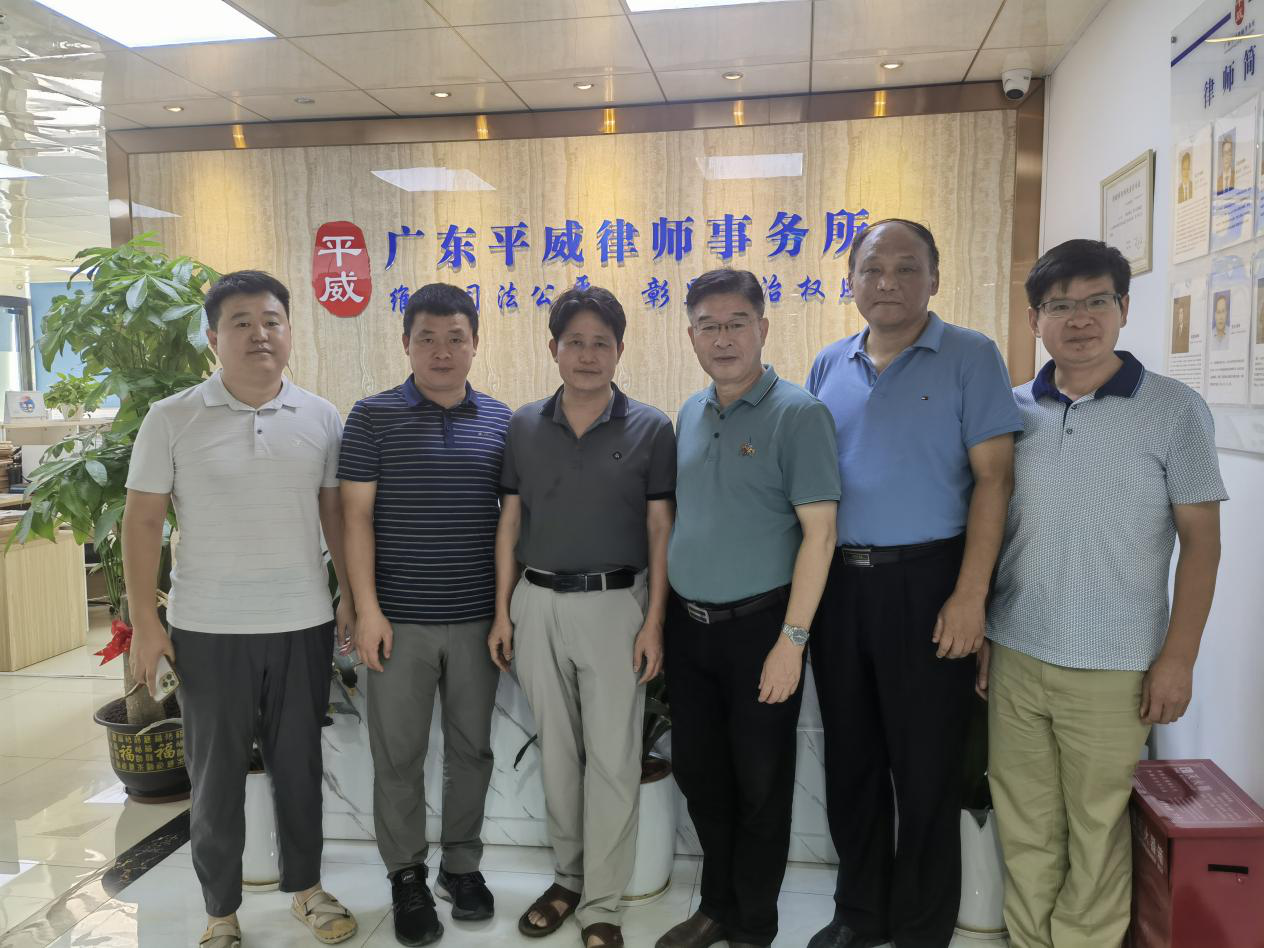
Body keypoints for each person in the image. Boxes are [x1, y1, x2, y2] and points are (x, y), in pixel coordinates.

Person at [985, 239, 1226, 947]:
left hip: (1116, 663)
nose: (1080, 319)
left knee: (1097, 829)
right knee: (1026, 823)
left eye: (1096, 301)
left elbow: (1202, 545)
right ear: (1035, 319)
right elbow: (996, 531)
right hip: (1018, 651)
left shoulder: (1175, 410)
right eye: (1060, 306)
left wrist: (1178, 659)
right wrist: (988, 637)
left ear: (1123, 307)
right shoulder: (1012, 411)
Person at [123, 271, 358, 948]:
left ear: (290, 331)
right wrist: (146, 622)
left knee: (299, 768)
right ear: (212, 337)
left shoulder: (320, 415)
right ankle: (220, 912)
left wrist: (346, 594)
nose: (260, 334)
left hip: (302, 621)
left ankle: (307, 891)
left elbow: (334, 514)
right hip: (209, 628)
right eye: (242, 322)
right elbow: (142, 522)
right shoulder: (172, 417)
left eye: (272, 320)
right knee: (216, 776)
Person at [805, 220, 1022, 948]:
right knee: (852, 758)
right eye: (873, 269)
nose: (888, 282)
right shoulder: (828, 363)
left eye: (907, 268)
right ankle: (859, 911)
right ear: (850, 280)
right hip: (841, 587)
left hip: (932, 582)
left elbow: (995, 480)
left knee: (926, 765)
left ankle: (924, 927)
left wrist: (970, 596)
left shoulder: (970, 355)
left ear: (935, 277)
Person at [656, 268, 839, 948]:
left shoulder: (799, 414)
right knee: (701, 776)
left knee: (760, 785)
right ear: (691, 337)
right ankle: (717, 906)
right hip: (690, 628)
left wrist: (792, 640)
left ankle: (754, 924)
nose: (723, 338)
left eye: (737, 323)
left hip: (762, 629)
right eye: (708, 326)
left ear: (763, 327)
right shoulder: (690, 412)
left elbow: (820, 535)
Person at [489, 284, 676, 948]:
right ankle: (568, 879)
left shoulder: (651, 427)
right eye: (576, 342)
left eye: (602, 343)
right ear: (554, 348)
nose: (589, 355)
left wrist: (654, 621)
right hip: (536, 603)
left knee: (615, 759)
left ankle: (602, 906)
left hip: (616, 606)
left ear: (620, 350)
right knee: (559, 756)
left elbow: (661, 530)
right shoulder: (523, 425)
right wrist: (502, 613)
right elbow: (510, 522)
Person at [339, 283, 512, 946]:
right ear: (406, 343)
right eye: (428, 338)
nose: (442, 351)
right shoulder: (372, 417)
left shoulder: (501, 421)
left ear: (476, 343)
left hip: (475, 621)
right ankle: (406, 876)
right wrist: (367, 610)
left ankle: (460, 867)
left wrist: (502, 613)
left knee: (472, 751)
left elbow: (509, 525)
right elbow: (356, 518)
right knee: (398, 755)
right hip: (398, 622)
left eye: (455, 338)